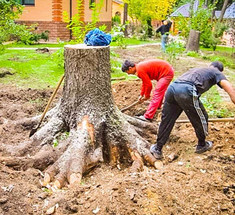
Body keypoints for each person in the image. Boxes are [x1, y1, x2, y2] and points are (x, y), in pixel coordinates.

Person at [150, 61, 235, 159]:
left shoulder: (199, 69)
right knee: (201, 117)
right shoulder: (217, 72)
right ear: (220, 70)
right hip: (186, 90)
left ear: (210, 65)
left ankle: (157, 148)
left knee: (167, 119)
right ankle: (202, 145)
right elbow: (230, 89)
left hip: (172, 88)